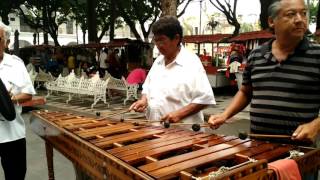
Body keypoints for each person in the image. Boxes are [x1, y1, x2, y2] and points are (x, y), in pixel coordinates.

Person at [208, 0, 320, 147]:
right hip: (258, 147)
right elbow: (246, 92)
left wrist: (315, 125)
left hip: (299, 153)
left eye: (303, 13)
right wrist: (225, 114)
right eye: (291, 14)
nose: (300, 19)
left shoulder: (317, 55)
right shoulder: (256, 55)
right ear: (272, 21)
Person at [129, 16, 215, 124]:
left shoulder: (191, 62)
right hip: (154, 129)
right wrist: (143, 100)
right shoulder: (158, 62)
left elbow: (205, 99)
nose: (158, 45)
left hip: (183, 134)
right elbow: (147, 89)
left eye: (162, 40)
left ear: (176, 38)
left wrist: (179, 114)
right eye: (156, 41)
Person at [0, 22, 36, 180]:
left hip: (13, 134)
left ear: (6, 42)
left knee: (16, 176)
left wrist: (10, 99)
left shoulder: (16, 64)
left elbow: (28, 93)